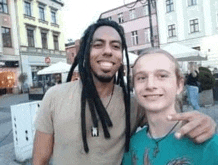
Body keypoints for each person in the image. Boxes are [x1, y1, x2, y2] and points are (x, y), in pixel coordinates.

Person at [33, 19, 216, 165]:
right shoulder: (55, 96)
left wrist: (205, 121)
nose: (107, 51)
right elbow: (39, 160)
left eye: (115, 46)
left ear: (122, 56)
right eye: (98, 45)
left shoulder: (133, 104)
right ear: (85, 53)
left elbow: (166, 114)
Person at [122, 48, 218, 165]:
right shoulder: (132, 145)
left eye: (162, 76)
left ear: (179, 85)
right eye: (141, 78)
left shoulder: (209, 145)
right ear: (134, 87)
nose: (150, 85)